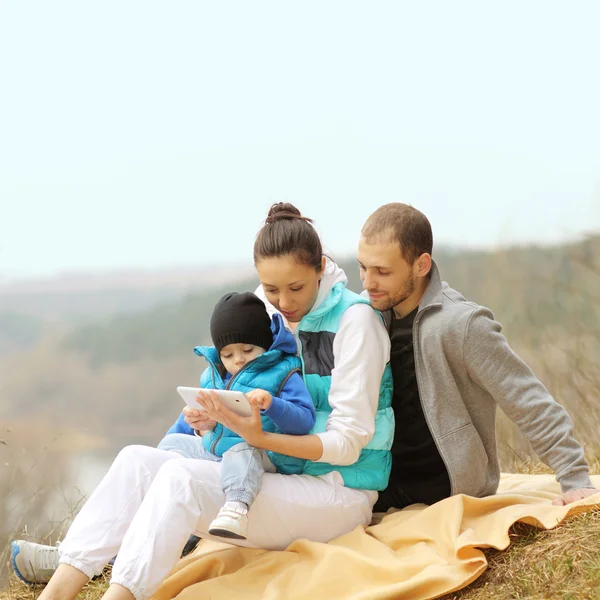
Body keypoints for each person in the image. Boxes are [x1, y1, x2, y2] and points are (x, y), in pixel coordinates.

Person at [16, 202, 392, 600]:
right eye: (270, 289)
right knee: (136, 461)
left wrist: (262, 437)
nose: (282, 302)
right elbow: (230, 388)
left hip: (336, 490)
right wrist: (208, 419)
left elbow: (349, 445)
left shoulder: (356, 323)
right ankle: (56, 592)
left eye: (296, 288)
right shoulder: (264, 315)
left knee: (182, 481)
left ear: (321, 268)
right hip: (271, 470)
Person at [356, 202, 599, 512]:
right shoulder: (365, 317)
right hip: (378, 479)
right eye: (363, 267)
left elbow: (526, 399)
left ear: (421, 265)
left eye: (382, 271)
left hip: (444, 488)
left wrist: (575, 478)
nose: (367, 282)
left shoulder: (462, 325)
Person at [157, 291, 316, 540]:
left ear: (264, 343)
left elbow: (304, 421)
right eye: (228, 355)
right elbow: (188, 426)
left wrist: (272, 404)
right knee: (172, 443)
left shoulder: (283, 371)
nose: (238, 360)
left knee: (242, 450)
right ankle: (156, 502)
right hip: (217, 452)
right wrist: (198, 424)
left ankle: (236, 508)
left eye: (248, 349)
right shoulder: (213, 376)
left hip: (268, 456)